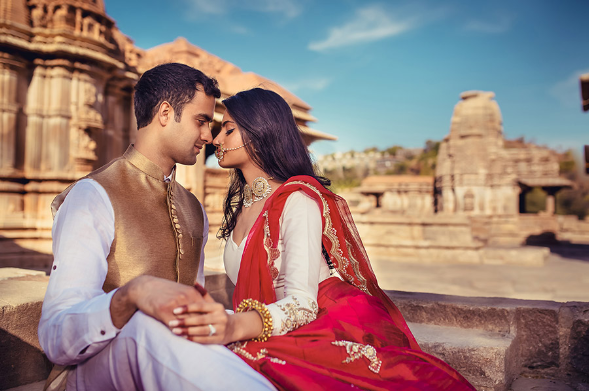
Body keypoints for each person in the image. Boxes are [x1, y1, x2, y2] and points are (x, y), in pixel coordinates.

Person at [187, 87, 476, 390]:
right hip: (268, 324)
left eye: (228, 130)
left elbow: (300, 304)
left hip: (318, 324)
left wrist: (232, 324)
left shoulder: (296, 200)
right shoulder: (242, 208)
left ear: (260, 133)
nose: (216, 140)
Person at [38, 64, 276, 391]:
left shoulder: (193, 209)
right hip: (94, 370)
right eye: (202, 121)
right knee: (144, 326)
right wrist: (133, 296)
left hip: (168, 366)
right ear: (165, 113)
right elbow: (55, 335)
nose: (209, 137)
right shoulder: (92, 195)